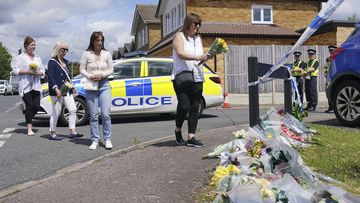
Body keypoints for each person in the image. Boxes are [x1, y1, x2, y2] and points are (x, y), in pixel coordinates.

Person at [172, 13, 211, 147]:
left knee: (195, 106)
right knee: (184, 105)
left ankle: (191, 137)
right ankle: (178, 129)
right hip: (182, 76)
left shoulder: (198, 39)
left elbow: (200, 55)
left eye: (200, 24)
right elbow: (180, 53)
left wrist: (205, 57)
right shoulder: (179, 36)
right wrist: (198, 57)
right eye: (196, 23)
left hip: (198, 76)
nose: (198, 26)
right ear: (188, 23)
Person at [80, 31, 114, 150]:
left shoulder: (107, 54)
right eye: (97, 40)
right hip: (91, 86)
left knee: (105, 114)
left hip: (104, 85)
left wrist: (102, 74)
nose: (100, 43)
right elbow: (81, 69)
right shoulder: (86, 54)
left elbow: (111, 69)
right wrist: (90, 76)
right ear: (93, 42)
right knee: (94, 116)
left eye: (101, 40)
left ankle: (107, 139)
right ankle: (94, 140)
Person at [47, 41, 83, 140]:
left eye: (66, 50)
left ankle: (72, 131)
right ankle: (52, 132)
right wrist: (55, 88)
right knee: (56, 112)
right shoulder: (52, 62)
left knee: (73, 109)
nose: (65, 52)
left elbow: (68, 77)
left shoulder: (66, 62)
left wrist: (72, 86)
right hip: (56, 91)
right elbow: (51, 76)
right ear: (57, 49)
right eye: (63, 49)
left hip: (67, 90)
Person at [11, 36, 45, 136]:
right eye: (31, 45)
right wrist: (28, 72)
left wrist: (39, 73)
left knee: (37, 106)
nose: (33, 47)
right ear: (26, 46)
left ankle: (27, 114)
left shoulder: (38, 58)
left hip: (36, 85)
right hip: (25, 86)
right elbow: (15, 70)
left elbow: (42, 70)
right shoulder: (21, 57)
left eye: (34, 45)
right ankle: (29, 128)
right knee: (30, 105)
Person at [324, 45, 337, 113]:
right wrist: (325, 72)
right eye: (330, 51)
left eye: (332, 51)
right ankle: (330, 107)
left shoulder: (337, 58)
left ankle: (335, 108)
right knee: (329, 91)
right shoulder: (328, 59)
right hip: (329, 77)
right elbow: (326, 66)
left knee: (335, 92)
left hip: (336, 77)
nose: (331, 52)